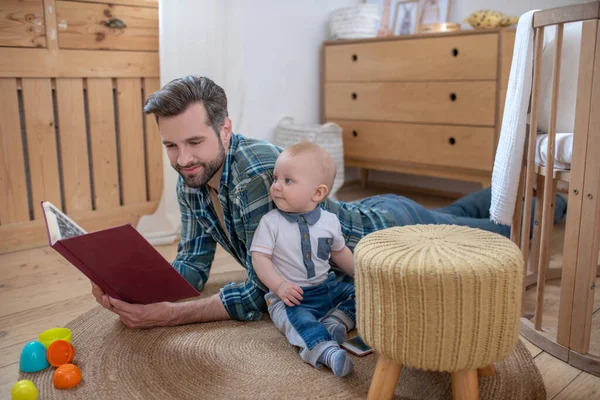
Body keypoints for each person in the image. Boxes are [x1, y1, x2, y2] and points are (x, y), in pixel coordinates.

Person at [91, 75, 567, 329]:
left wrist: (170, 316)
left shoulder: (257, 173)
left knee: (503, 237)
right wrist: (135, 291)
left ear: (225, 128)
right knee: (456, 213)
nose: (182, 159)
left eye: (193, 142)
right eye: (170, 147)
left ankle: (558, 204)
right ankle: (509, 194)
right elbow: (192, 265)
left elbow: (268, 290)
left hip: (389, 235)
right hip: (377, 210)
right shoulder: (192, 178)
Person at [251, 142, 356, 377]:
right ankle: (327, 351)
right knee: (299, 322)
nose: (276, 186)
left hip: (326, 287)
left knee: (362, 294)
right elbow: (260, 258)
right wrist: (279, 286)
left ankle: (336, 321)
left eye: (288, 181)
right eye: (276, 178)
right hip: (291, 296)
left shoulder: (329, 221)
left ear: (318, 193)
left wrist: (359, 274)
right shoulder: (271, 222)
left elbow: (340, 253)